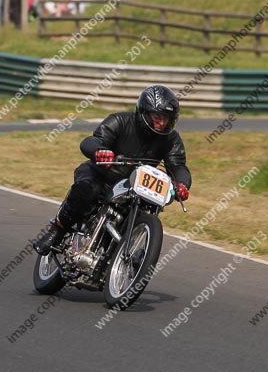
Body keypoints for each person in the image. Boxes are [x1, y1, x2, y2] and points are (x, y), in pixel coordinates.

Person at [34, 85, 192, 255]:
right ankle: (57, 230)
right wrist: (100, 151)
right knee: (87, 189)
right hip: (101, 175)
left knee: (149, 208)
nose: (161, 123)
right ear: (144, 112)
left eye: (166, 119)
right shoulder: (120, 120)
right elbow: (92, 141)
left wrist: (181, 184)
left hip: (134, 187)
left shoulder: (171, 139)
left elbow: (178, 165)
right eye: (157, 117)